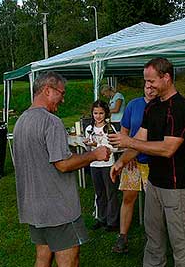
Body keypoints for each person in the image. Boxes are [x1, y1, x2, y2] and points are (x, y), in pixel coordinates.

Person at [13, 71, 111, 267]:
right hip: (58, 209)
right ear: (48, 90)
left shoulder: (20, 122)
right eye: (61, 93)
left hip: (34, 207)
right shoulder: (52, 122)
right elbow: (63, 164)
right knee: (69, 259)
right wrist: (95, 154)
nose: (63, 100)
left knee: (42, 257)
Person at [109, 57, 185, 266]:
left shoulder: (180, 108)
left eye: (151, 81)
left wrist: (128, 141)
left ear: (166, 78)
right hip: (154, 182)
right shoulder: (153, 106)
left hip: (175, 186)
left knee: (180, 242)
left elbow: (167, 149)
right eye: (145, 81)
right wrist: (121, 161)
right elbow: (140, 139)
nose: (147, 86)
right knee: (153, 237)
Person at [111, 85, 157, 254]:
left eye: (153, 87)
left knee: (154, 203)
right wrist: (127, 156)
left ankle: (153, 238)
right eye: (146, 86)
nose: (150, 90)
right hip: (132, 161)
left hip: (153, 162)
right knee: (128, 198)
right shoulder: (133, 105)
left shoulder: (163, 106)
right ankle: (123, 237)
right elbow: (124, 134)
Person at [84, 100, 120, 231]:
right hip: (94, 165)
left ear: (106, 114)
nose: (98, 116)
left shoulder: (110, 128)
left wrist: (99, 146)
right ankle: (101, 218)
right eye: (95, 113)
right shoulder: (89, 128)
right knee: (99, 193)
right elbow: (88, 147)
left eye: (101, 113)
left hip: (108, 164)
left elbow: (116, 146)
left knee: (111, 192)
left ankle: (113, 221)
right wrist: (88, 144)